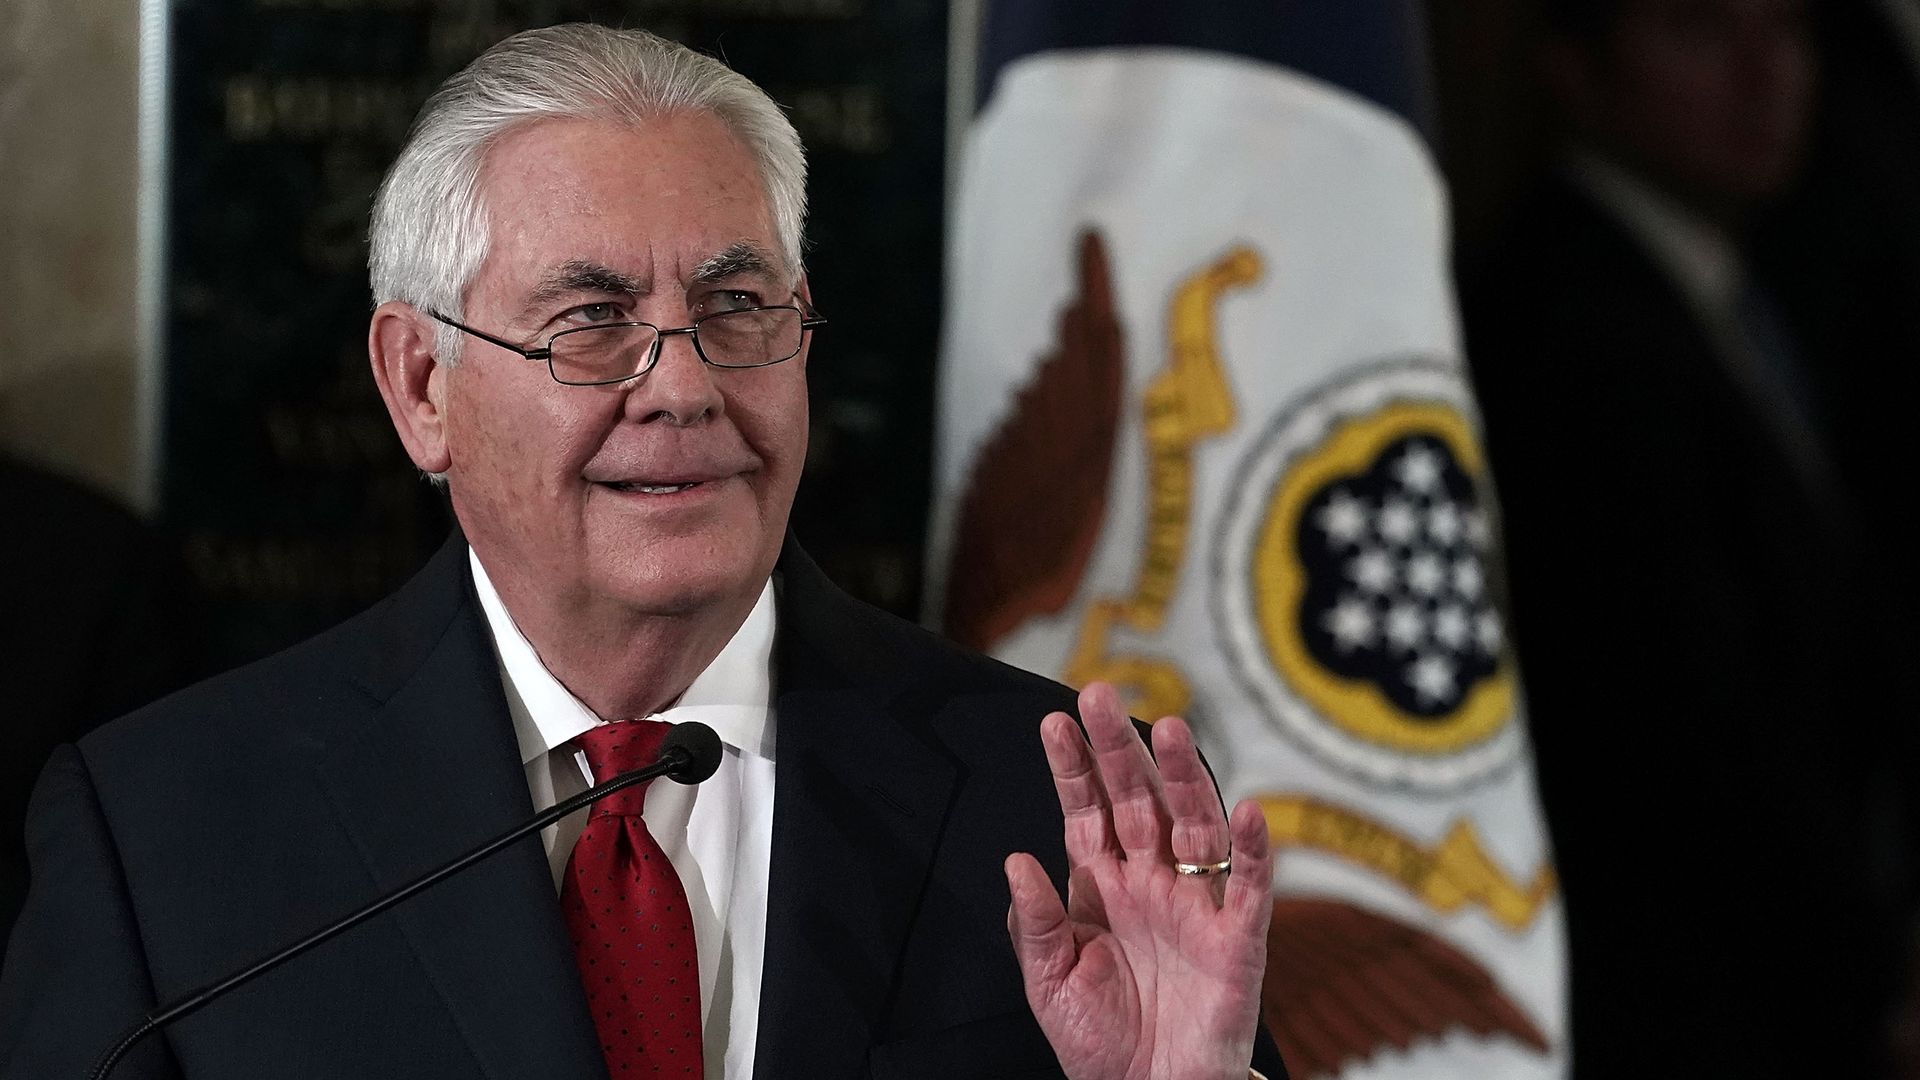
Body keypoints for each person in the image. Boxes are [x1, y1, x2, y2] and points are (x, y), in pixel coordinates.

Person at [0, 25, 1287, 1080]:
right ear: (421, 387)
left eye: (736, 309)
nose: (681, 386)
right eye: (591, 322)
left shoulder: (1053, 807)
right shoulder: (170, 836)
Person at [1457, 0, 1911, 1075]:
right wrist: (1873, 977)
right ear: (1576, 68)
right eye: (1705, 30)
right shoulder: (1564, 323)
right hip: (1686, 1010)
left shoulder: (1754, 284)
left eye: (1788, 31)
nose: (1765, 74)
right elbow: (1681, 729)